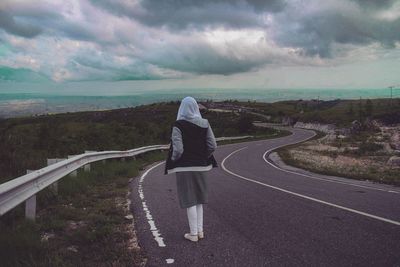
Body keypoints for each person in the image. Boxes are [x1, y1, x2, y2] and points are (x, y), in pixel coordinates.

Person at [165, 96, 218, 242]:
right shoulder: (205, 123)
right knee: (199, 199)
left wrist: (175, 160)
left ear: (181, 108)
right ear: (195, 107)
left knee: (190, 200)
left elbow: (178, 150)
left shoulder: (178, 125)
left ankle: (193, 234)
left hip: (184, 168)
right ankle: (200, 231)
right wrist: (202, 156)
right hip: (201, 166)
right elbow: (213, 145)